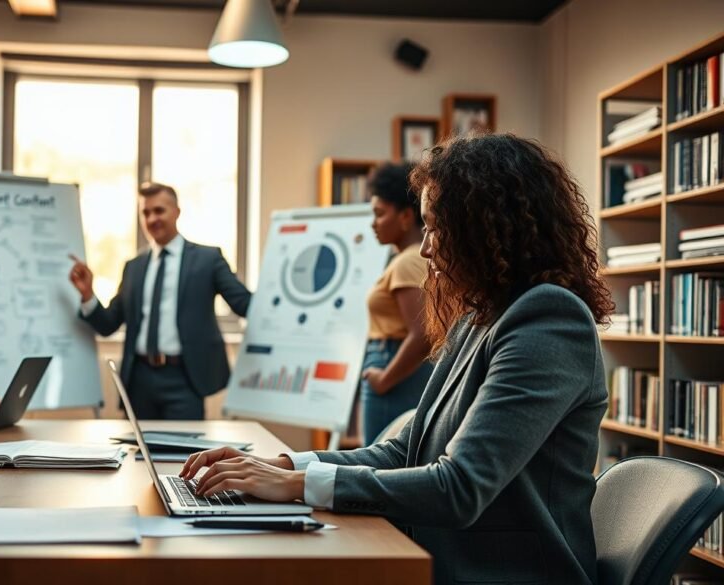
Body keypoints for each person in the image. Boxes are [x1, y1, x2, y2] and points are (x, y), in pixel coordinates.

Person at [180, 133, 613, 585]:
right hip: (443, 556)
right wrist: (284, 465)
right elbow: (405, 451)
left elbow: (459, 487)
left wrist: (296, 486)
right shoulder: (479, 317)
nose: (425, 249)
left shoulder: (548, 319)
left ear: (484, 228)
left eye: (434, 228)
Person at [69, 182, 251, 420]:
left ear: (176, 211)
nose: (152, 218)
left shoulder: (208, 259)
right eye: (146, 213)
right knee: (137, 455)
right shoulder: (134, 267)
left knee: (184, 455)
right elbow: (108, 324)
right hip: (138, 380)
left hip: (186, 378)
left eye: (159, 210)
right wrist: (87, 295)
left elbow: (243, 303)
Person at [359, 162, 433, 444]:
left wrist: (385, 379)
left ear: (405, 216)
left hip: (394, 368)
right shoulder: (408, 259)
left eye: (380, 213)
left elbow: (422, 333)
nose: (373, 223)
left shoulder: (409, 261)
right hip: (396, 366)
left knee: (376, 463)